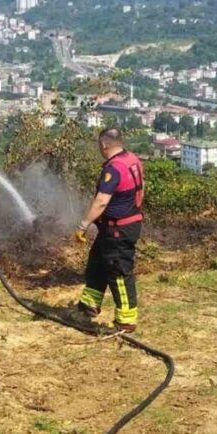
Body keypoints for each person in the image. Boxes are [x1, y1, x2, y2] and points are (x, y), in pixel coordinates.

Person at [75, 128, 145, 332]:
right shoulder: (132, 159)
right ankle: (89, 304)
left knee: (119, 272)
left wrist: (83, 225)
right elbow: (142, 187)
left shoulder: (113, 168)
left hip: (118, 230)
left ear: (104, 145)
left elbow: (101, 202)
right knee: (97, 262)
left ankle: (126, 319)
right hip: (120, 226)